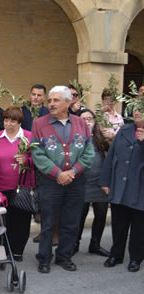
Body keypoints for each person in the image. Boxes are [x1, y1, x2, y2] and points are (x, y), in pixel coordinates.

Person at [32, 86, 94, 274]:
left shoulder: (81, 124)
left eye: (56, 100)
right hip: (51, 181)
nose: (51, 104)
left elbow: (89, 153)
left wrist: (73, 172)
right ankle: (44, 258)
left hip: (76, 181)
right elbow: (37, 153)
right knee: (48, 221)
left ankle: (64, 256)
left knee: (71, 221)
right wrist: (58, 173)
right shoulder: (39, 124)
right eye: (50, 100)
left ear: (69, 102)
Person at [100, 107, 144, 272]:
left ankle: (136, 257)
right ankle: (116, 254)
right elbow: (111, 156)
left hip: (140, 187)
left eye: (141, 110)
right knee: (119, 223)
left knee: (139, 226)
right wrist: (106, 182)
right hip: (120, 185)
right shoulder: (124, 130)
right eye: (135, 110)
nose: (137, 113)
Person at [0, 106, 35, 262]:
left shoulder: (28, 137)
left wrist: (27, 161)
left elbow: (40, 160)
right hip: (1, 187)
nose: (8, 124)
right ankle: (3, 250)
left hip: (21, 187)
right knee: (3, 221)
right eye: (6, 120)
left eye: (12, 121)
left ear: (19, 122)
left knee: (21, 221)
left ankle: (17, 251)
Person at [73, 110, 111, 257]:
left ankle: (95, 244)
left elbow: (110, 157)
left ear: (95, 121)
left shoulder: (101, 137)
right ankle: (75, 243)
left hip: (100, 182)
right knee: (80, 215)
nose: (87, 121)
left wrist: (111, 138)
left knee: (101, 214)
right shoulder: (74, 137)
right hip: (82, 182)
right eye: (83, 119)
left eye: (89, 118)